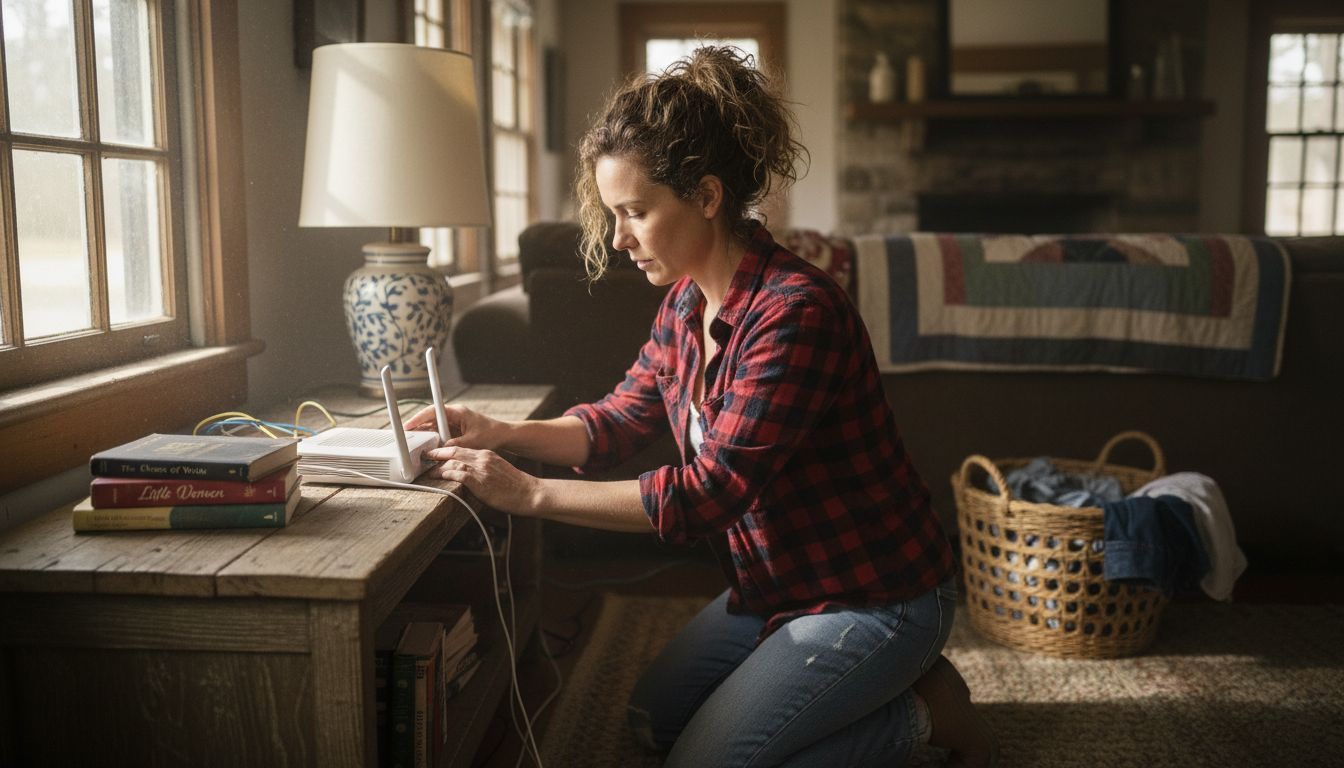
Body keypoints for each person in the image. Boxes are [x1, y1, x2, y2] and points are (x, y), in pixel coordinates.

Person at [405, 45, 997, 767]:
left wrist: (527, 494)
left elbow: (709, 494)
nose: (620, 238)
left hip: (876, 597)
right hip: (778, 588)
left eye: (637, 212)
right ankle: (864, 691)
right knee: (654, 724)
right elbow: (616, 422)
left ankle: (928, 715)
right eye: (615, 215)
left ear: (708, 197)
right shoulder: (686, 302)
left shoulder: (795, 314)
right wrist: (497, 431)